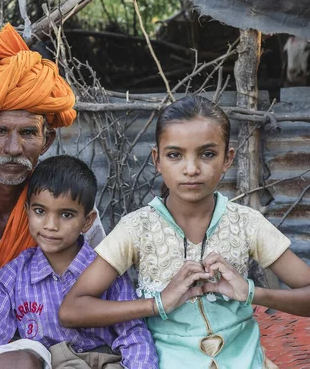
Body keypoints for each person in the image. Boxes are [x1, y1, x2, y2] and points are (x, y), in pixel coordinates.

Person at [59, 95, 310, 368]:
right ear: (157, 160)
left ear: (228, 159)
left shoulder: (247, 223)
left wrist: (250, 292)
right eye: (175, 155)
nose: (191, 169)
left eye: (207, 154)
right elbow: (73, 309)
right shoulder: (137, 228)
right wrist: (158, 304)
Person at [0, 155, 158, 369]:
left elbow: (133, 333)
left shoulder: (106, 271)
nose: (50, 225)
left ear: (88, 221)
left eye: (66, 214)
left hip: (101, 360)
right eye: (40, 211)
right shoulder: (12, 276)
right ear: (27, 211)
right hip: (46, 361)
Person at [0, 23, 106, 308]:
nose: (14, 149)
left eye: (28, 133)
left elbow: (101, 286)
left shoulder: (72, 212)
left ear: (47, 140)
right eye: (0, 131)